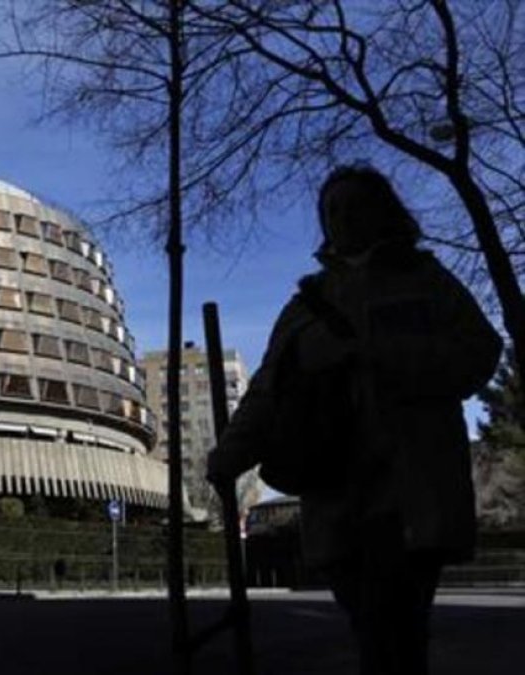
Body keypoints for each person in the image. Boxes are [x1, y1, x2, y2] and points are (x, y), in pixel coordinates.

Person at [207, 165, 503, 675]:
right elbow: (267, 388)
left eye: (352, 205)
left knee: (399, 627)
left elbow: (479, 351)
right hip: (336, 488)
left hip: (413, 485)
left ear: (383, 210)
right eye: (330, 210)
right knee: (371, 626)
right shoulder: (307, 302)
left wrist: (378, 355)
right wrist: (230, 454)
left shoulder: (427, 280)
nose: (340, 217)